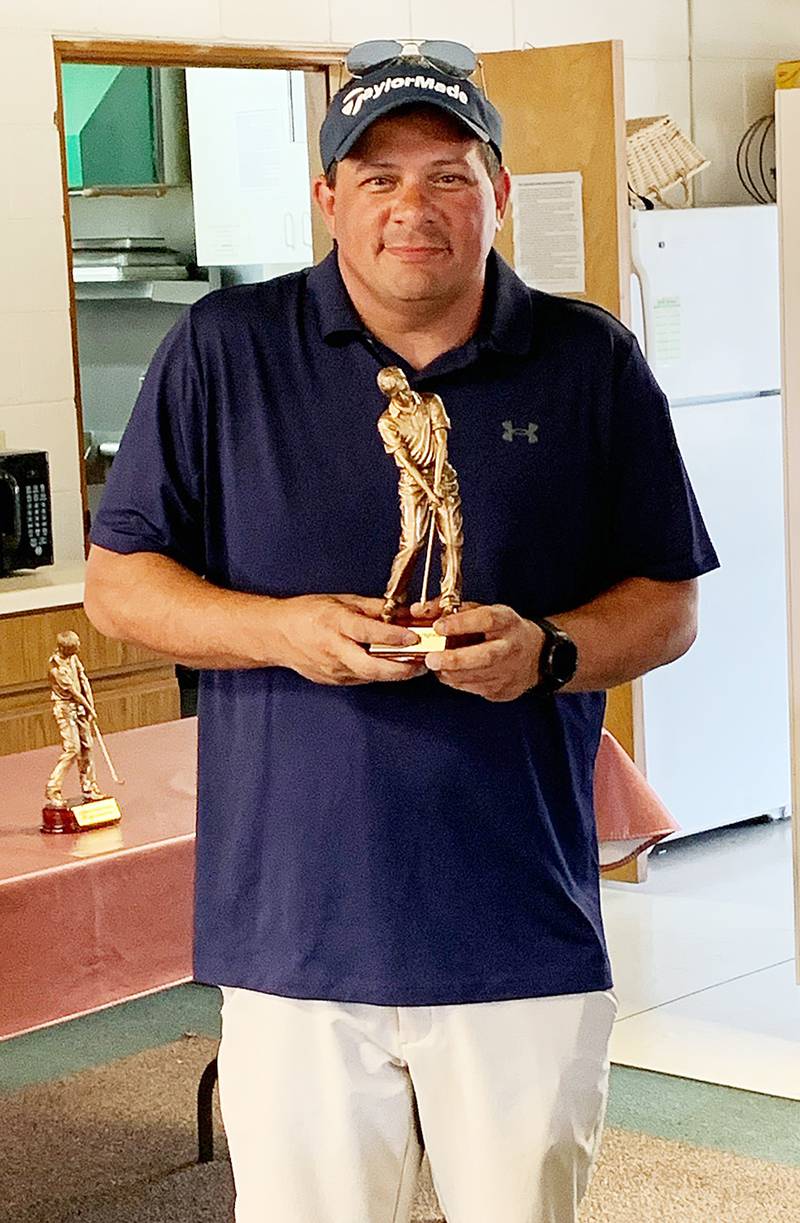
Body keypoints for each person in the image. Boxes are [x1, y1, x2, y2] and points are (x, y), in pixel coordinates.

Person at [84, 39, 719, 1223]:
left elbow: (667, 602)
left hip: (516, 926)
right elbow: (119, 584)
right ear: (325, 198)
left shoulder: (587, 360)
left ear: (499, 192)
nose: (410, 207)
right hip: (291, 932)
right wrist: (280, 630)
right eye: (375, 178)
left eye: (445, 172)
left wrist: (550, 648)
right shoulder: (223, 349)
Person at [376, 365, 463, 620]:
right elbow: (406, 463)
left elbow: (441, 444)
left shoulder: (431, 402)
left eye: (404, 382)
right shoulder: (388, 422)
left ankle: (450, 597)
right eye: (399, 387)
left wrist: (437, 484)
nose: (406, 389)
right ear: (390, 393)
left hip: (441, 474)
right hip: (414, 484)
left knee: (452, 540)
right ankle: (393, 597)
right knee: (413, 543)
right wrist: (428, 490)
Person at [44, 630, 103, 806]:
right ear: (66, 647)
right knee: (72, 749)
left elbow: (83, 681)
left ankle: (89, 786)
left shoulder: (74, 658)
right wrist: (88, 707)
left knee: (87, 746)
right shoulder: (56, 667)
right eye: (76, 644)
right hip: (65, 709)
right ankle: (52, 788)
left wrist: (90, 706)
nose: (79, 646)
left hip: (80, 707)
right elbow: (74, 692)